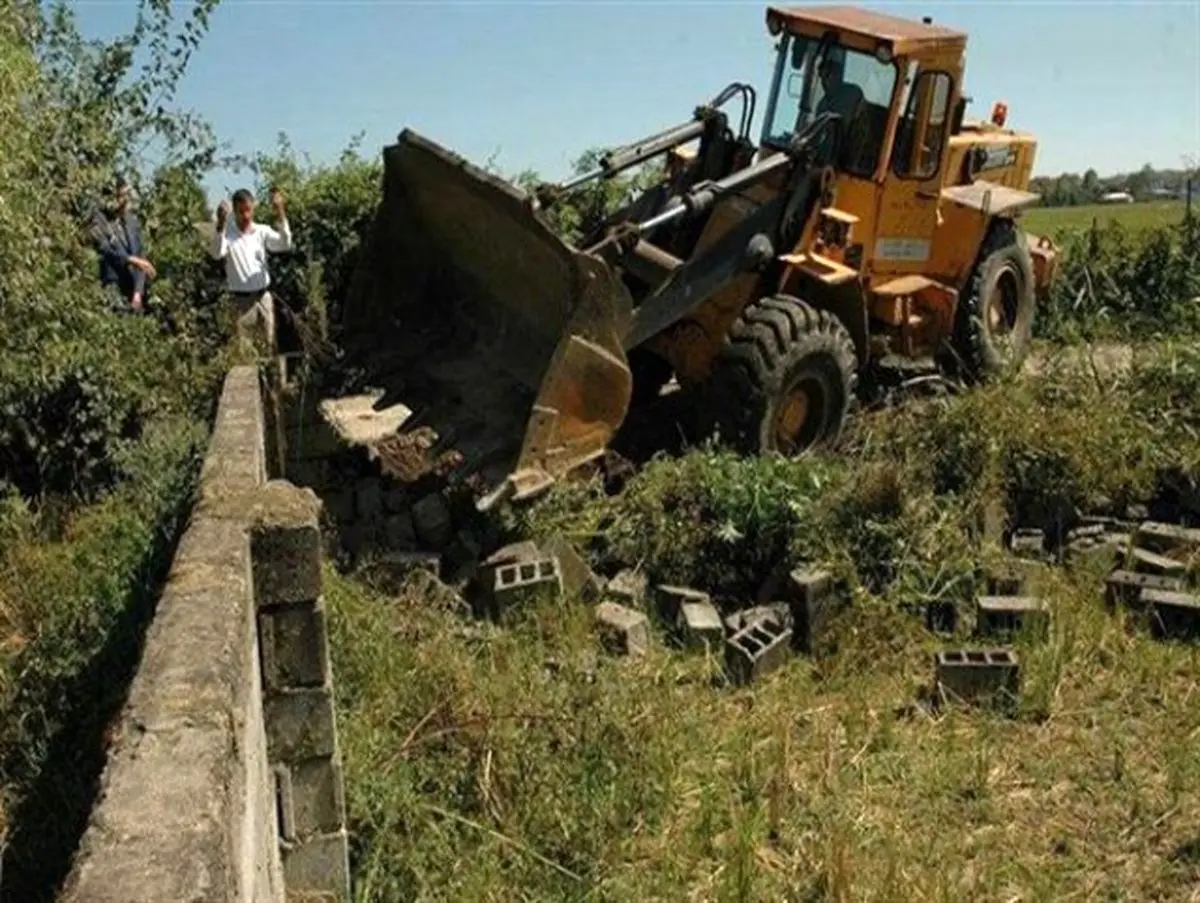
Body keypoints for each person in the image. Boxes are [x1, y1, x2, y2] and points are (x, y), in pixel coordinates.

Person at [209, 186, 292, 356]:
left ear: (253, 208)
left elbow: (285, 244)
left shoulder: (261, 231)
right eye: (241, 212)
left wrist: (280, 212)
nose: (246, 216)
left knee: (269, 347)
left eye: (248, 211)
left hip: (263, 298)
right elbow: (217, 254)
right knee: (243, 353)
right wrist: (220, 225)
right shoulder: (228, 234)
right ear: (235, 211)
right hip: (241, 303)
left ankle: (269, 382)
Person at [90, 174, 156, 313]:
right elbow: (105, 249)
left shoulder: (133, 222)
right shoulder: (99, 220)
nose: (125, 200)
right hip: (111, 288)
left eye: (126, 195)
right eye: (120, 196)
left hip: (133, 290)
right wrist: (131, 260)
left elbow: (141, 257)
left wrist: (138, 293)